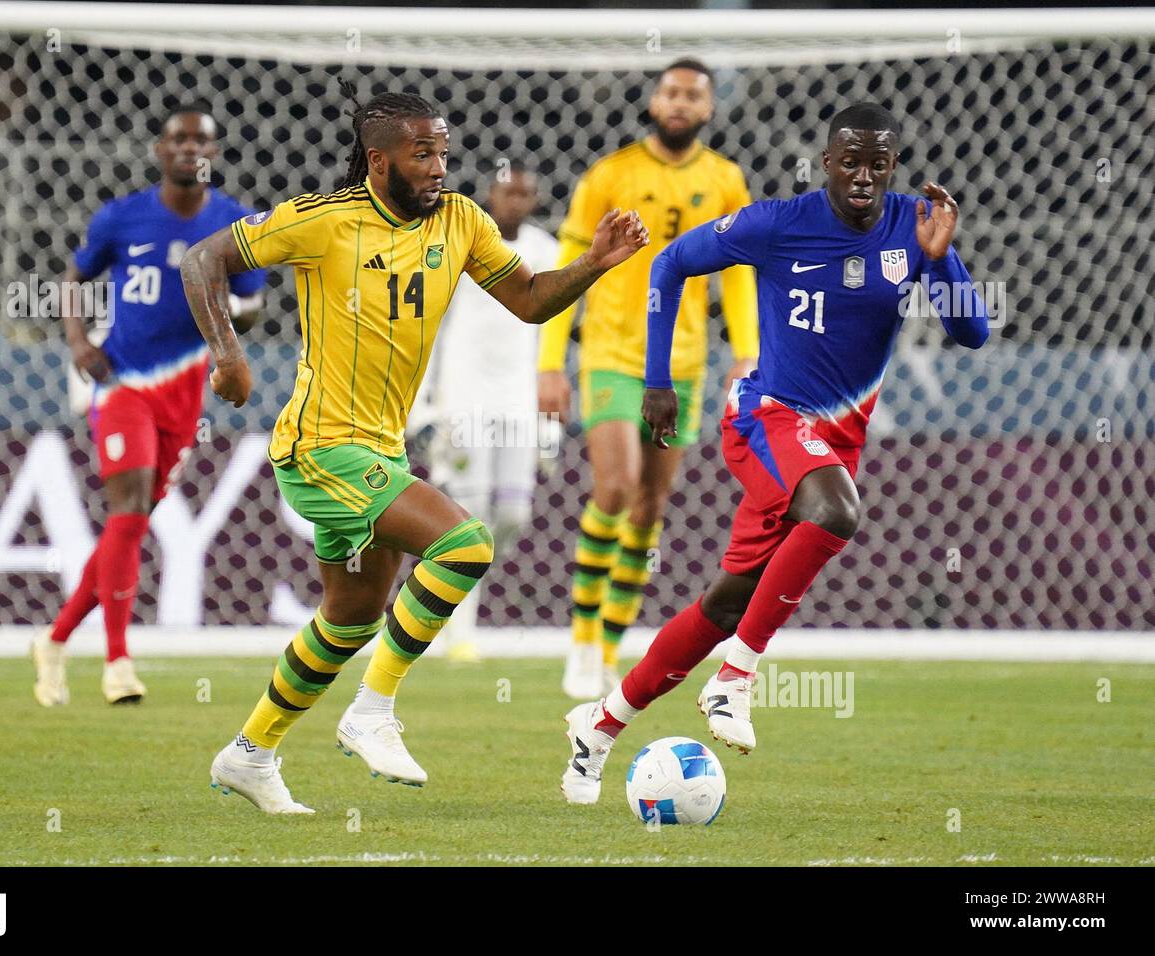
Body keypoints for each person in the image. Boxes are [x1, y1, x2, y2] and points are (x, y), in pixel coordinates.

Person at [181, 89, 648, 814]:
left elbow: (528, 299)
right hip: (319, 447)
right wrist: (229, 356)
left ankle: (251, 753)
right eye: (422, 153)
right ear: (379, 159)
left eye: (443, 152)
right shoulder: (322, 221)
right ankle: (372, 712)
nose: (438, 167)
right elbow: (202, 260)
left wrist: (594, 262)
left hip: (382, 451)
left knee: (349, 618)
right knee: (465, 544)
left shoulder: (461, 221)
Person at [562, 103, 990, 804]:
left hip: (832, 438)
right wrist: (660, 382)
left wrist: (941, 262)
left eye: (876, 164)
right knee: (835, 511)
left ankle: (600, 726)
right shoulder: (777, 223)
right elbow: (670, 263)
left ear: (891, 167)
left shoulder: (913, 225)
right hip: (766, 416)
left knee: (727, 603)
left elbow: (971, 334)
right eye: (849, 162)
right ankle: (735, 680)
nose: (861, 176)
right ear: (826, 162)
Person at [31, 105, 266, 706]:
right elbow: (73, 278)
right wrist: (80, 343)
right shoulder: (123, 216)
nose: (190, 148)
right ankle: (117, 662)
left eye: (202, 140)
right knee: (129, 509)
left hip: (185, 392)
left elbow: (253, 302)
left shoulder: (232, 223)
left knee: (129, 525)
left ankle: (55, 640)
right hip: (122, 383)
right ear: (161, 150)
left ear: (214, 153)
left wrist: (228, 315)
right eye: (179, 139)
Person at [538, 58, 758, 699]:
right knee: (616, 486)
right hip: (609, 353)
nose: (681, 102)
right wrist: (551, 360)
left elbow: (739, 275)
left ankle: (609, 647)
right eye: (671, 91)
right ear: (654, 99)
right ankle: (580, 643)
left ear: (709, 108)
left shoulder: (725, 181)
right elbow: (569, 263)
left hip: (683, 364)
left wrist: (746, 353)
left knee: (651, 506)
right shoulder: (610, 175)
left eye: (694, 94)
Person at [412, 161, 560, 656]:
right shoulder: (463, 241)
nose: (515, 202)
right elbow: (433, 324)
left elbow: (552, 335)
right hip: (464, 397)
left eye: (524, 193)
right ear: (490, 197)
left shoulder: (546, 250)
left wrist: (547, 416)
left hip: (518, 403)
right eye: (507, 192)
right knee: (470, 510)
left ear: (534, 199)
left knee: (514, 512)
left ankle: (453, 584)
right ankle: (460, 632)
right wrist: (426, 403)